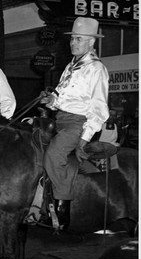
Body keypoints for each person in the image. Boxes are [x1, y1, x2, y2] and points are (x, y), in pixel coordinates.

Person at [40, 17, 109, 229]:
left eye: (78, 39)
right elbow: (64, 98)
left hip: (78, 124)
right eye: (72, 39)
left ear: (91, 43)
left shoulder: (96, 69)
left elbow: (98, 110)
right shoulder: (71, 66)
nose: (73, 43)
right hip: (59, 119)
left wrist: (84, 139)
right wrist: (52, 100)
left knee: (54, 154)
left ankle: (62, 208)